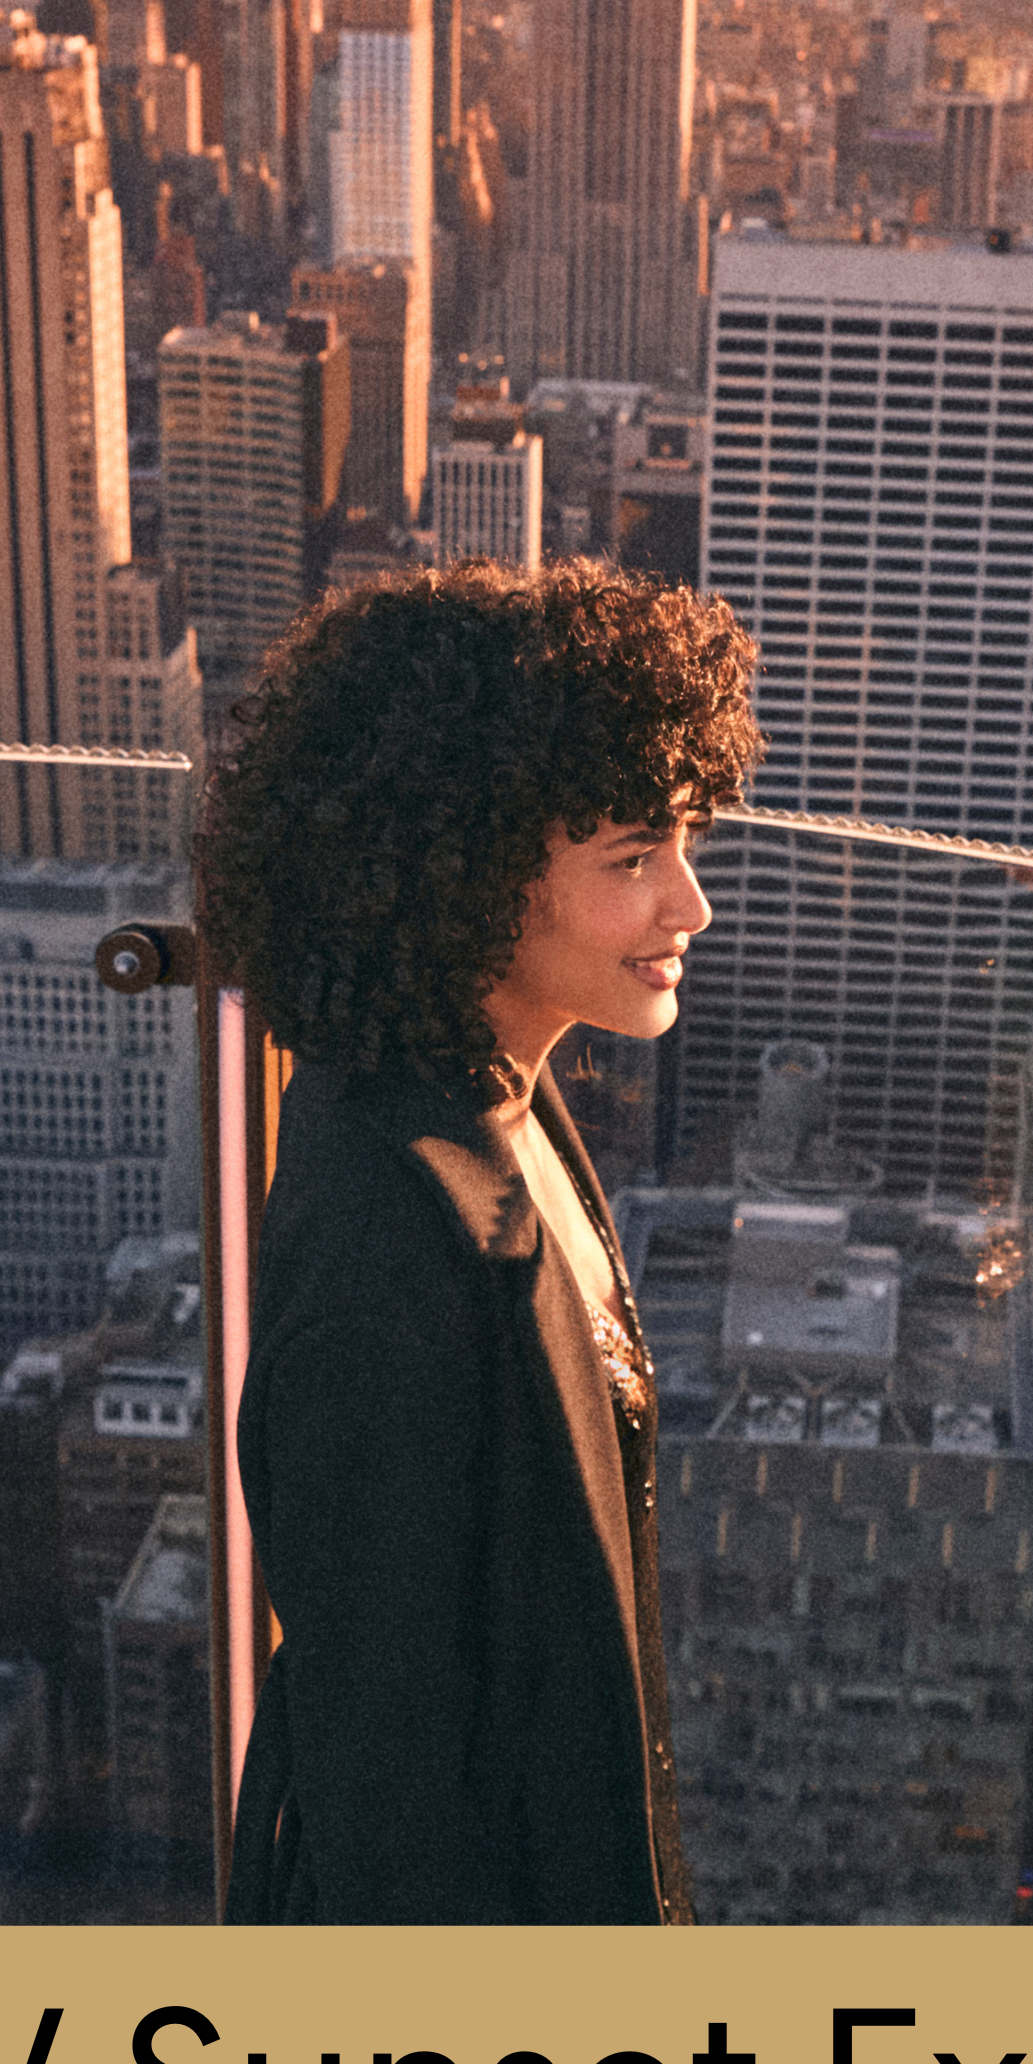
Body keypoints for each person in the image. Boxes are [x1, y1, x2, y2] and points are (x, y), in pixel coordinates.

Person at [196, 559, 762, 1921]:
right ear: (459, 874)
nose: (689, 904)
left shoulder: (506, 1103)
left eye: (683, 843)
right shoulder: (390, 1246)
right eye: (633, 858)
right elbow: (388, 1793)